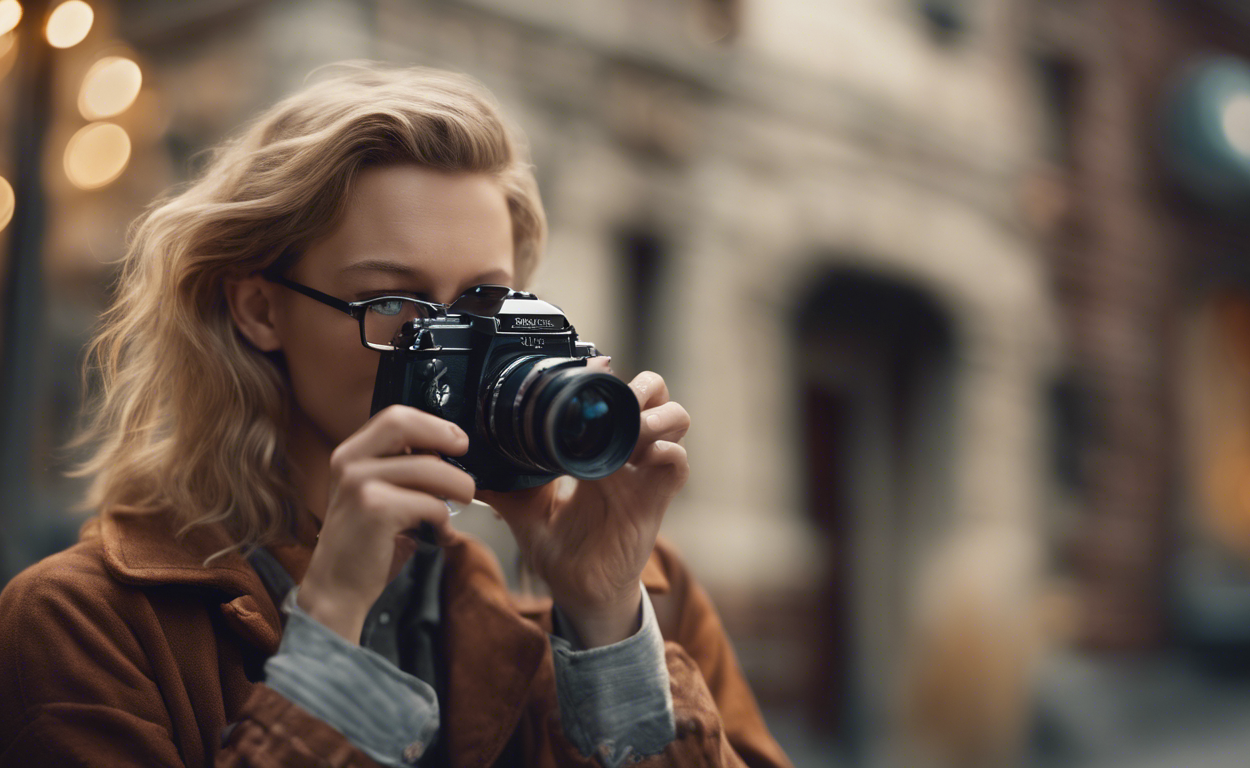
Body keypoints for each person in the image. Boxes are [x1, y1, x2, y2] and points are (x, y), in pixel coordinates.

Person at [0, 63, 792, 768]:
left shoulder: (648, 593)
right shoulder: (84, 624)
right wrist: (332, 622)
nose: (445, 341)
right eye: (395, 302)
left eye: (483, 301)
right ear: (257, 309)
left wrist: (605, 622)